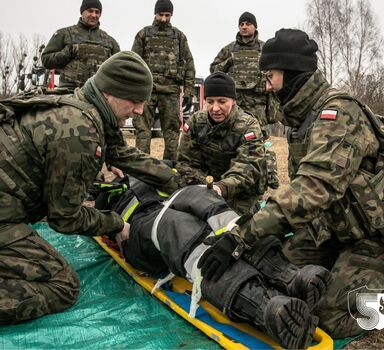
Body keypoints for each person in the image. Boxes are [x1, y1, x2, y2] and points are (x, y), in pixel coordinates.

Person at [199, 29, 384, 338]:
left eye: (270, 76)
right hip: (331, 231)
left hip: (372, 238)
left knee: (332, 316)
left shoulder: (338, 113)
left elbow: (315, 187)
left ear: (291, 73)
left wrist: (242, 234)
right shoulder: (302, 120)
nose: (267, 85)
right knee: (270, 270)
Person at [0, 51, 182, 325]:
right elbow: (65, 217)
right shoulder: (80, 132)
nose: (140, 111)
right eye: (135, 100)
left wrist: (177, 180)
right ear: (111, 93)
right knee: (62, 286)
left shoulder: (83, 106)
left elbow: (122, 154)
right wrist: (117, 224)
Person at [94, 175, 331, 349]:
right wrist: (115, 224)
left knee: (204, 198)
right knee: (176, 226)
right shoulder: (104, 195)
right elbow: (92, 222)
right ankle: (261, 304)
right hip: (139, 232)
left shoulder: (144, 167)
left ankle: (287, 276)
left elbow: (179, 179)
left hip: (173, 201)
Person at [176, 72, 267, 215]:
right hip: (204, 185)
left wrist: (221, 188)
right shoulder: (195, 122)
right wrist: (207, 185)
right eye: (210, 101)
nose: (215, 108)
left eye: (222, 101)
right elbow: (185, 163)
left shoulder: (249, 126)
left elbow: (247, 169)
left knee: (233, 226)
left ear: (233, 101)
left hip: (239, 192)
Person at [209, 12, 280, 190]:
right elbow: (214, 70)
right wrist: (229, 61)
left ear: (255, 26)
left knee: (258, 140)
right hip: (235, 104)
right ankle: (232, 178)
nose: (244, 27)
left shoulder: (265, 48)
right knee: (231, 139)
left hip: (258, 105)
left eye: (248, 24)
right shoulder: (230, 49)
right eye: (242, 24)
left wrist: (267, 84)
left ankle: (264, 178)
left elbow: (276, 72)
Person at [131, 0, 196, 160]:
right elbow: (133, 62)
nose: (164, 19)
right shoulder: (143, 34)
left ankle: (170, 168)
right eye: (161, 14)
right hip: (147, 91)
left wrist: (188, 92)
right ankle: (142, 169)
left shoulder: (179, 36)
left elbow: (188, 62)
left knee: (172, 131)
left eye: (167, 15)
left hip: (170, 91)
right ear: (155, 14)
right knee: (143, 129)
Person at [42, 0, 120, 90]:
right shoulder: (64, 34)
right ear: (82, 12)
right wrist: (68, 52)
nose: (94, 15)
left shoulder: (109, 41)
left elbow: (119, 67)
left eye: (97, 12)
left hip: (99, 93)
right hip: (69, 92)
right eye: (90, 11)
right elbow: (46, 60)